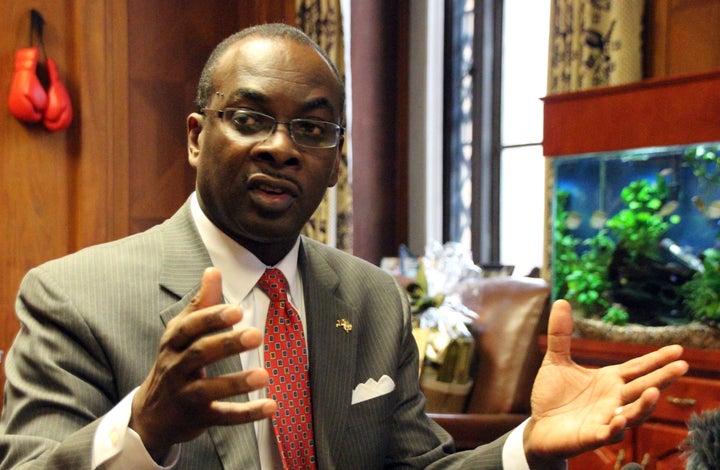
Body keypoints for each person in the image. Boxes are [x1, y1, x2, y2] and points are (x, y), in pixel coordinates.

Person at [0, 23, 688, 469]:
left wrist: (525, 449)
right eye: (249, 118)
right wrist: (142, 431)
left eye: (313, 130)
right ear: (193, 136)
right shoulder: (75, 296)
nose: (281, 147)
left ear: (335, 164)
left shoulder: (370, 297)